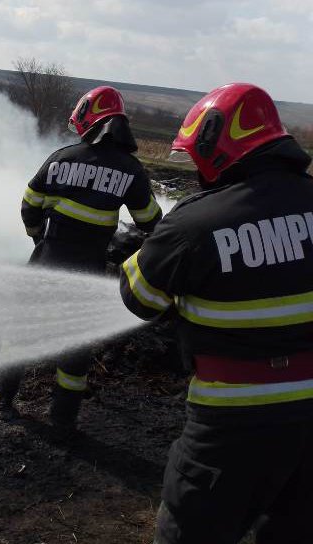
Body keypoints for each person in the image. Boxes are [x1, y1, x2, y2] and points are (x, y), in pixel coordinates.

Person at [119, 82, 313, 543]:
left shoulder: (193, 223)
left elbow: (140, 301)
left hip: (230, 427)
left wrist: (137, 250)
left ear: (215, 144)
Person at [0, 86, 162, 425]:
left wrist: (37, 238)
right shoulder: (131, 171)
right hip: (88, 266)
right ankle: (63, 421)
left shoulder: (62, 158)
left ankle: (1, 399)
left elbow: (30, 204)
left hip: (47, 259)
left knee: (19, 331)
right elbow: (151, 222)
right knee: (75, 345)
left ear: (89, 120)